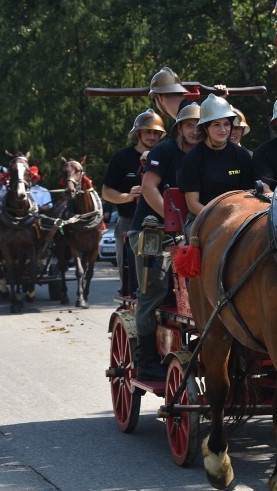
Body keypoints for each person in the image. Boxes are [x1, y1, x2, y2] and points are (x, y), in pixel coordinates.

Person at [128, 101, 201, 380]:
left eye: (198, 126)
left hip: (191, 229)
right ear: (179, 128)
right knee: (153, 288)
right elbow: (148, 188)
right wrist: (174, 221)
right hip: (152, 229)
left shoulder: (204, 154)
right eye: (189, 125)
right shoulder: (164, 150)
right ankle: (146, 358)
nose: (194, 131)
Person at [102, 108, 166, 291]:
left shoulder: (166, 155)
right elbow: (106, 192)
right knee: (132, 279)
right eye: (148, 131)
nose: (152, 136)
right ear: (138, 133)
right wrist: (128, 197)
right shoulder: (121, 158)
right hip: (129, 223)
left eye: (156, 133)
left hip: (163, 223)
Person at [180, 94, 256, 233]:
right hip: (202, 218)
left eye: (226, 124)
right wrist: (219, 218)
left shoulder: (242, 155)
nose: (223, 129)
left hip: (240, 217)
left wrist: (236, 218)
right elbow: (192, 204)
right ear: (205, 128)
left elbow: (249, 194)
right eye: (216, 124)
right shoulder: (193, 158)